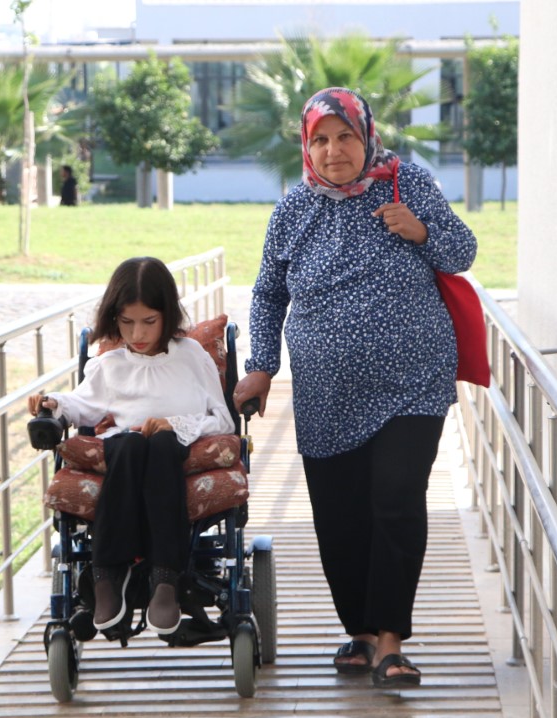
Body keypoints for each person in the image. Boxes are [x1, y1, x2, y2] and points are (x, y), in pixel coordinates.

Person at [232, 86, 478, 687]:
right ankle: (361, 632)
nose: (333, 150)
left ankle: (392, 640)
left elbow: (463, 251)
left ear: (367, 136)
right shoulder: (293, 209)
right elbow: (268, 293)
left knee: (396, 498)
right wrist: (261, 364)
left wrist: (420, 232)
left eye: (345, 136)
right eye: (320, 139)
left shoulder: (407, 183)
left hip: (413, 380)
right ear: (306, 146)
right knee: (339, 513)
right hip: (326, 391)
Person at [28, 256, 235, 634]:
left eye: (149, 321)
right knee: (130, 445)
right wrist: (52, 402)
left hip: (176, 447)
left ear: (167, 315)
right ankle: (108, 573)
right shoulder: (111, 364)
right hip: (125, 449)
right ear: (114, 318)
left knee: (160, 444)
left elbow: (223, 420)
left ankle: (166, 577)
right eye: (126, 322)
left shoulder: (191, 357)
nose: (137, 333)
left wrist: (175, 424)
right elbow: (82, 405)